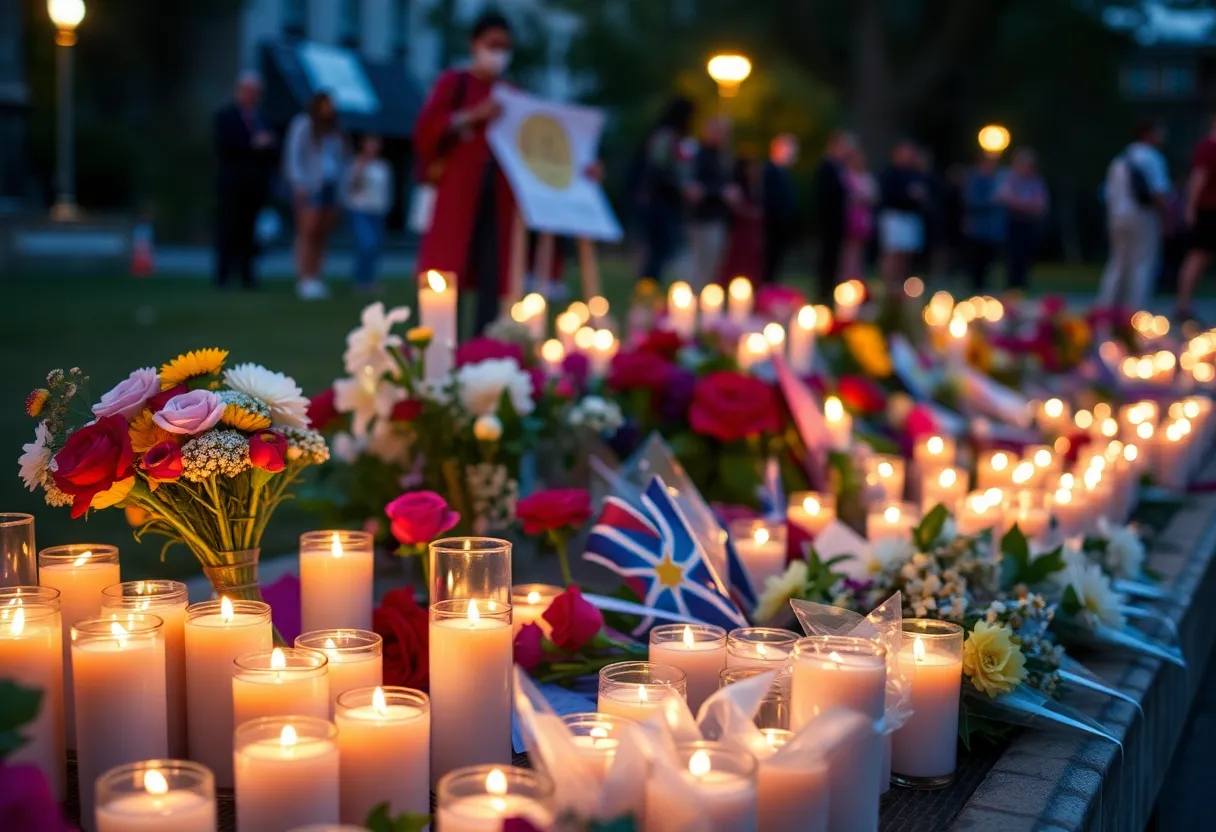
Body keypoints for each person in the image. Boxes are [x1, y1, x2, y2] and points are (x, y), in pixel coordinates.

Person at [413, 12, 517, 333]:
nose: (498, 53)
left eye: (504, 46)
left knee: (492, 274)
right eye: (492, 44)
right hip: (457, 194)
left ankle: (483, 349)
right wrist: (471, 117)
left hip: (497, 199)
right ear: (475, 44)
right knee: (448, 271)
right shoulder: (455, 83)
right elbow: (425, 131)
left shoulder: (511, 93)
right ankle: (443, 347)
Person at [1097, 121, 1171, 314]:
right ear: (1148, 134)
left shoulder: (1119, 159)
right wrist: (1168, 216)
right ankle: (1136, 311)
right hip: (1143, 215)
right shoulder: (1152, 158)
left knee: (1118, 261)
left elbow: (1107, 193)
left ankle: (1106, 308)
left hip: (1117, 215)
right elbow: (1159, 192)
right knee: (1143, 262)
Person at [212, 71, 275, 290]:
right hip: (232, 183)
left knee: (250, 231)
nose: (252, 96)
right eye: (249, 91)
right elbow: (223, 146)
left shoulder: (262, 118)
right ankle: (223, 275)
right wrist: (251, 143)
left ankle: (248, 275)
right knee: (228, 229)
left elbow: (272, 149)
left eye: (256, 93)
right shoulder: (225, 116)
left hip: (254, 184)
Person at [283, 91, 347, 300]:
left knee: (322, 234)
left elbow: (341, 159)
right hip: (311, 186)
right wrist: (298, 183)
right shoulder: (303, 124)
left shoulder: (334, 130)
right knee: (308, 231)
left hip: (331, 185)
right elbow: (293, 154)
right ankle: (304, 277)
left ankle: (316, 276)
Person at [634, 97, 695, 282]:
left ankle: (650, 282)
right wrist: (679, 187)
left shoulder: (675, 138)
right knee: (659, 246)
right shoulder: (665, 137)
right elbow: (657, 168)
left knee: (664, 246)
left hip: (667, 200)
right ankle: (648, 283)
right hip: (659, 200)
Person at [1175, 112, 1216, 324]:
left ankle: (1184, 304)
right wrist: (1190, 208)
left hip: (1208, 210)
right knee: (1198, 257)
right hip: (1208, 210)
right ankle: (1183, 305)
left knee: (1201, 258)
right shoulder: (1209, 147)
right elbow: (1198, 178)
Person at [686, 116, 736, 289]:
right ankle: (693, 300)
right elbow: (694, 189)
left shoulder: (721, 156)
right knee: (702, 263)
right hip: (703, 217)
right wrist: (721, 192)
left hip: (718, 216)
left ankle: (704, 301)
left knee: (713, 264)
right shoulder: (700, 155)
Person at [343, 134, 393, 292]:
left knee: (375, 246)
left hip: (378, 211)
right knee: (366, 243)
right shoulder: (356, 163)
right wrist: (360, 168)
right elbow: (350, 187)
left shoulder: (383, 166)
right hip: (360, 209)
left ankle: (369, 280)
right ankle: (360, 280)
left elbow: (387, 189)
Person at [995, 149, 1049, 291]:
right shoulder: (1008, 178)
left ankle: (1022, 286)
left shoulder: (1036, 180)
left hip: (1029, 224)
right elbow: (1003, 198)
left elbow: (1041, 205)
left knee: (1027, 255)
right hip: (1012, 222)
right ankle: (1011, 287)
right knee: (1012, 256)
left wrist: (1019, 203)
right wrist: (1027, 204)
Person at [878, 140, 928, 291]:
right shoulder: (890, 173)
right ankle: (888, 284)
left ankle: (901, 284)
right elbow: (886, 195)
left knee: (907, 252)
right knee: (892, 252)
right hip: (895, 216)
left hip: (911, 217)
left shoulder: (915, 173)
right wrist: (907, 194)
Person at [813, 130, 853, 298]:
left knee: (834, 258)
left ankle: (829, 290)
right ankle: (823, 291)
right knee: (826, 258)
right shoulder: (826, 167)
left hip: (837, 221)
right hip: (828, 221)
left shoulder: (840, 167)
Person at [718, 155, 765, 285]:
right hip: (740, 235)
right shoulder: (738, 188)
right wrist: (751, 213)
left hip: (753, 235)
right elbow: (737, 208)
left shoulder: (757, 187)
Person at [962, 152, 1005, 291]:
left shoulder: (997, 179)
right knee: (976, 260)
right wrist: (992, 200)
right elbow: (971, 201)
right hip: (977, 228)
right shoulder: (974, 179)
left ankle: (985, 285)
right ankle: (975, 286)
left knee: (989, 260)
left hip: (993, 230)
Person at [761, 133, 799, 283]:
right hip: (771, 226)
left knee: (777, 264)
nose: (793, 155)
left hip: (781, 227)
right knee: (769, 263)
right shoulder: (769, 171)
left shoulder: (785, 173)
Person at [840, 144, 877, 281]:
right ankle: (846, 276)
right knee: (848, 249)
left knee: (860, 249)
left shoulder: (867, 176)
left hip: (864, 217)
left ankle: (856, 277)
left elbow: (873, 195)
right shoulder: (846, 176)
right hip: (851, 216)